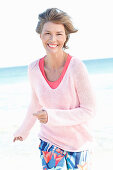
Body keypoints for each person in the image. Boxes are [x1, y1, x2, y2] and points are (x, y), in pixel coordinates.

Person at [13, 8, 95, 170]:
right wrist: (23, 129)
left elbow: (89, 110)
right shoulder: (33, 68)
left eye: (59, 34)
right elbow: (36, 102)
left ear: (65, 37)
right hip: (49, 140)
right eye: (47, 33)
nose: (53, 39)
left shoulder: (76, 67)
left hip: (79, 143)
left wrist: (52, 116)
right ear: (40, 36)